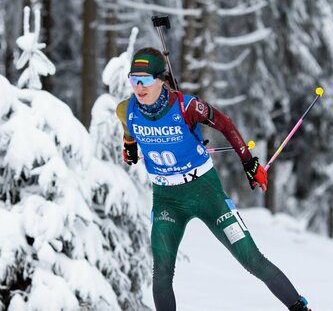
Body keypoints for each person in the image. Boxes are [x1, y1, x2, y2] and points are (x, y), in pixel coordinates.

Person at [115, 47, 311, 311]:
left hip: (206, 192)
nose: (138, 87)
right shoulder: (126, 109)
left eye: (145, 79)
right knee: (161, 272)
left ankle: (300, 308)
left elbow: (226, 124)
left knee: (251, 259)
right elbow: (128, 126)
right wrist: (129, 145)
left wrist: (250, 163)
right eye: (133, 79)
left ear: (161, 80)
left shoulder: (187, 106)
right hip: (166, 200)